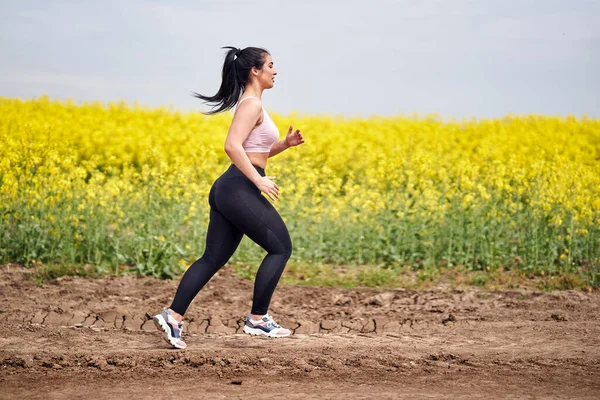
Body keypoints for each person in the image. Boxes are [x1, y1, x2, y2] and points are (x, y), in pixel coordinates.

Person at [153, 46, 304, 349]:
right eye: (271, 65)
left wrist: (283, 145)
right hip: (237, 188)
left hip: (231, 188)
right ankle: (258, 319)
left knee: (212, 258)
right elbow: (232, 146)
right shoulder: (251, 105)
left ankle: (173, 316)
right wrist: (258, 180)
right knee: (280, 247)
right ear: (255, 71)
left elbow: (254, 152)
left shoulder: (254, 104)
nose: (275, 71)